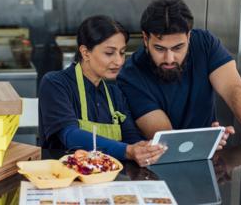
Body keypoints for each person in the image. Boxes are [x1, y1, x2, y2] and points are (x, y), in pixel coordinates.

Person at [117, 0, 241, 150]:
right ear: (145, 39)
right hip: (159, 163)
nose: (169, 58)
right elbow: (164, 137)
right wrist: (204, 142)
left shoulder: (205, 44)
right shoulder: (131, 75)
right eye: (160, 49)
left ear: (189, 37)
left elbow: (233, 89)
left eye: (178, 48)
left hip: (207, 156)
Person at [39, 15, 166, 167]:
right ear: (85, 52)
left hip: (107, 179)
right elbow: (70, 135)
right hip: (65, 179)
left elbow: (130, 137)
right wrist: (128, 151)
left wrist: (145, 149)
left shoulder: (115, 93)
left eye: (122, 52)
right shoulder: (55, 84)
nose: (119, 61)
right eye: (109, 53)